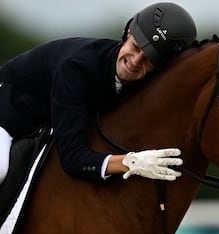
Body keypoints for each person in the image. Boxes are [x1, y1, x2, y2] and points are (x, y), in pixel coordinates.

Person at [0, 2, 197, 184]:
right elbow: (71, 159)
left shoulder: (144, 83)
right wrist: (132, 163)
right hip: (8, 111)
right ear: (128, 33)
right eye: (135, 47)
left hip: (43, 120)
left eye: (148, 59)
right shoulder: (77, 68)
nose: (135, 61)